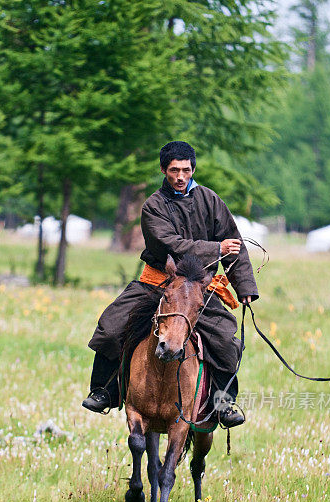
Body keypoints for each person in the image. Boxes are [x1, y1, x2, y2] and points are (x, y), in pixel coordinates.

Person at [82, 140, 259, 428]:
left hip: (199, 289)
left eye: (186, 170)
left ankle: (223, 403)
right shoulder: (153, 206)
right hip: (158, 283)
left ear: (192, 170)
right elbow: (173, 245)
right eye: (174, 170)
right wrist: (216, 249)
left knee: (226, 338)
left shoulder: (210, 200)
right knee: (111, 324)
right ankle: (105, 390)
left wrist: (245, 287)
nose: (180, 176)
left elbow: (234, 244)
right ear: (164, 170)